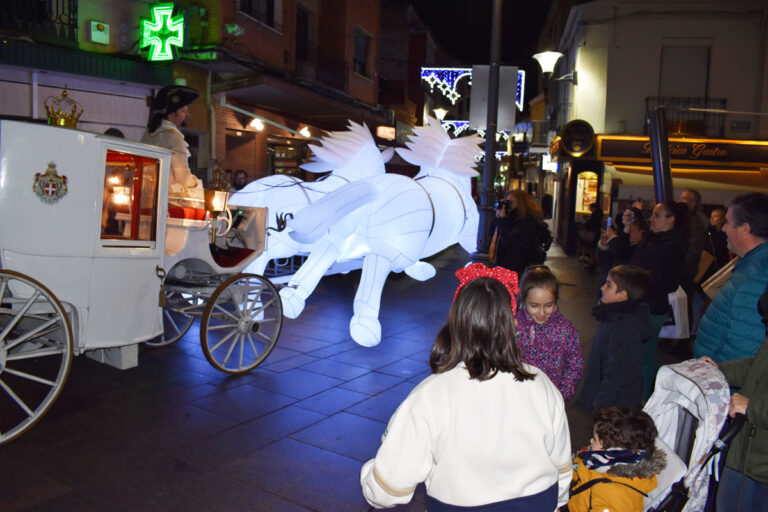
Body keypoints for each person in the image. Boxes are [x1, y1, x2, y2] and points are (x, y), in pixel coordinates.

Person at [361, 263, 573, 510]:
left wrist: (370, 473)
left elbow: (387, 490)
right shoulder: (541, 383)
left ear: (455, 324)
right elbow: (561, 469)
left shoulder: (431, 395)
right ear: (514, 324)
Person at [694, 193, 768, 362]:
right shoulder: (751, 265)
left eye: (728, 223)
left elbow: (744, 344)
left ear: (745, 229)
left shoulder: (758, 275)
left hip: (720, 373)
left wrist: (717, 373)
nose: (724, 229)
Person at [631, 200, 688, 400]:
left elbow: (669, 283)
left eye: (657, 215)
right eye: (652, 214)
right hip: (641, 304)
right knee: (639, 352)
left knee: (645, 354)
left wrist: (640, 283)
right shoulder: (653, 239)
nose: (651, 219)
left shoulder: (673, 246)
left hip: (652, 307)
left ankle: (645, 397)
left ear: (671, 219)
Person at [575, 265, 651, 412]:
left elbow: (617, 376)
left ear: (622, 295)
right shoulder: (613, 316)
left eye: (608, 285)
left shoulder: (623, 329)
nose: (602, 288)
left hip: (612, 406)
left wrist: (600, 408)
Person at [565, 407, 667, 512]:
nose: (591, 441)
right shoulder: (600, 460)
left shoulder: (615, 495)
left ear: (613, 452)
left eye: (595, 439)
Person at [515, 265, 584, 400]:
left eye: (548, 305)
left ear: (556, 301)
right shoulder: (515, 325)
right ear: (523, 299)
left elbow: (575, 363)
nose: (541, 313)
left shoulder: (565, 329)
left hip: (550, 397)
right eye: (534, 306)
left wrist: (562, 393)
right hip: (519, 395)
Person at [142, 85, 204, 204]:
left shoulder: (149, 134)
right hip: (167, 200)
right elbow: (183, 178)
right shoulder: (173, 136)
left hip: (145, 197)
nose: (186, 114)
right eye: (183, 111)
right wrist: (196, 184)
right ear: (171, 113)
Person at [494, 190, 544, 277]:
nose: (507, 205)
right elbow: (491, 233)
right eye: (506, 202)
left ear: (521, 204)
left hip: (519, 268)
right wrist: (498, 216)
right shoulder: (509, 217)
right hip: (506, 265)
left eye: (510, 203)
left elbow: (509, 242)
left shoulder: (527, 221)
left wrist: (503, 219)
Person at [700, 206, 730, 282]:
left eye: (715, 216)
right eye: (711, 216)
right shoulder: (707, 234)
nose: (711, 219)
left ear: (722, 219)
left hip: (721, 266)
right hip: (708, 266)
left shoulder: (726, 234)